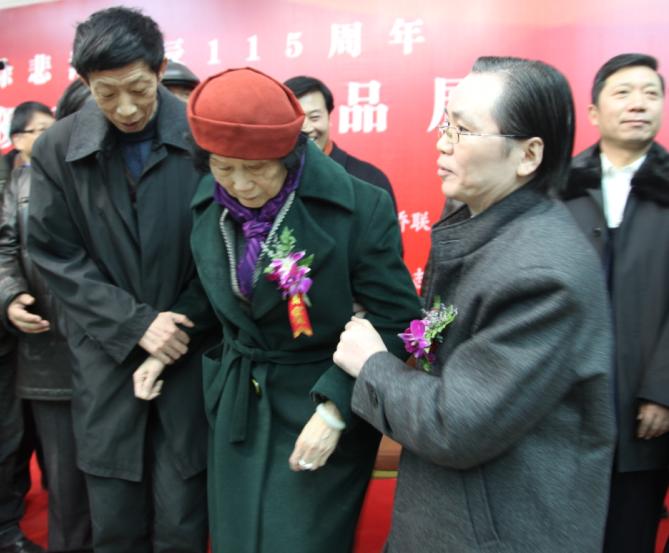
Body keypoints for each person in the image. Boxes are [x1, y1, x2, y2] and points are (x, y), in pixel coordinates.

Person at [334, 56, 616, 552]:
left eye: (463, 131)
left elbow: (455, 424)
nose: (442, 142)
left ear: (528, 155)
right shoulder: (480, 225)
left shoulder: (543, 274)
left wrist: (372, 364)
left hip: (501, 531)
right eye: (446, 124)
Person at [136, 66, 421, 553]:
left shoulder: (359, 207)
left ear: (291, 155)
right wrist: (165, 347)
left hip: (319, 400)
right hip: (238, 402)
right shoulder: (209, 200)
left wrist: (335, 410)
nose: (241, 185)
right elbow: (210, 291)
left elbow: (397, 320)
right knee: (235, 538)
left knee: (302, 540)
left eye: (257, 169)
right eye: (224, 168)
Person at [26, 7, 213, 553]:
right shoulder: (58, 148)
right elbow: (55, 254)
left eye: (138, 89)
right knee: (114, 518)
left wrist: (176, 326)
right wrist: (135, 326)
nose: (126, 108)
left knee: (183, 517)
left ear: (160, 70)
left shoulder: (203, 136)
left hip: (188, 349)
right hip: (107, 357)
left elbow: (225, 250)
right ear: (84, 82)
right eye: (107, 93)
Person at [561, 53, 669, 553]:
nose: (638, 104)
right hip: (565, 404)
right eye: (623, 93)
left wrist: (662, 390)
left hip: (645, 409)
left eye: (651, 93)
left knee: (629, 532)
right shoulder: (558, 186)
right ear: (594, 111)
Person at [1, 98, 93, 553]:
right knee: (61, 474)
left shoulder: (103, 178)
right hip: (44, 349)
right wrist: (10, 295)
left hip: (110, 345)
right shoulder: (19, 182)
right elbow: (5, 247)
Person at [0, 102, 55, 553]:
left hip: (33, 334)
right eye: (39, 131)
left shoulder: (49, 179)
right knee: (9, 437)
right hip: (9, 330)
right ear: (17, 139)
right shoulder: (9, 182)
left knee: (24, 434)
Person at [284, 75, 397, 211]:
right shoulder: (272, 179)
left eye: (314, 117)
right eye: (296, 119)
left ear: (329, 117)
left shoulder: (370, 180)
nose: (306, 128)